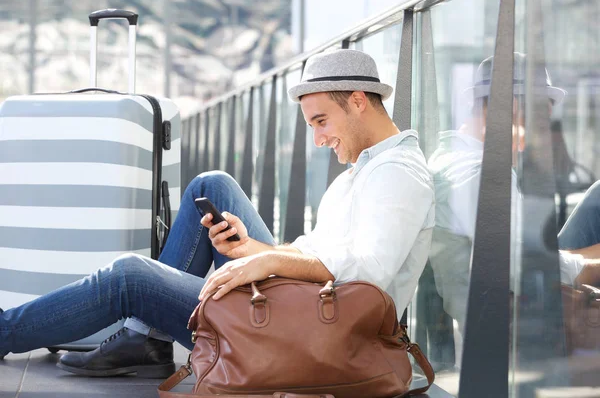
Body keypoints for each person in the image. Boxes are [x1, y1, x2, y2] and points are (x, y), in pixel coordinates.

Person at [0, 49, 435, 378]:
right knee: (212, 186)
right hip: (305, 305)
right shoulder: (365, 169)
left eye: (322, 121)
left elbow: (368, 272)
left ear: (358, 100)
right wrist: (252, 248)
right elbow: (319, 255)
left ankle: (8, 332)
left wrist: (269, 260)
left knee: (129, 276)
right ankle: (146, 340)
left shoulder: (397, 173)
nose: (319, 139)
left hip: (319, 335)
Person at [428, 52, 600, 336]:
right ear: (513, 107)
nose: (542, 135)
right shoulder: (482, 173)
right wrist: (591, 266)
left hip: (511, 297)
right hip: (524, 322)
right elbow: (526, 270)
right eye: (542, 120)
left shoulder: (447, 158)